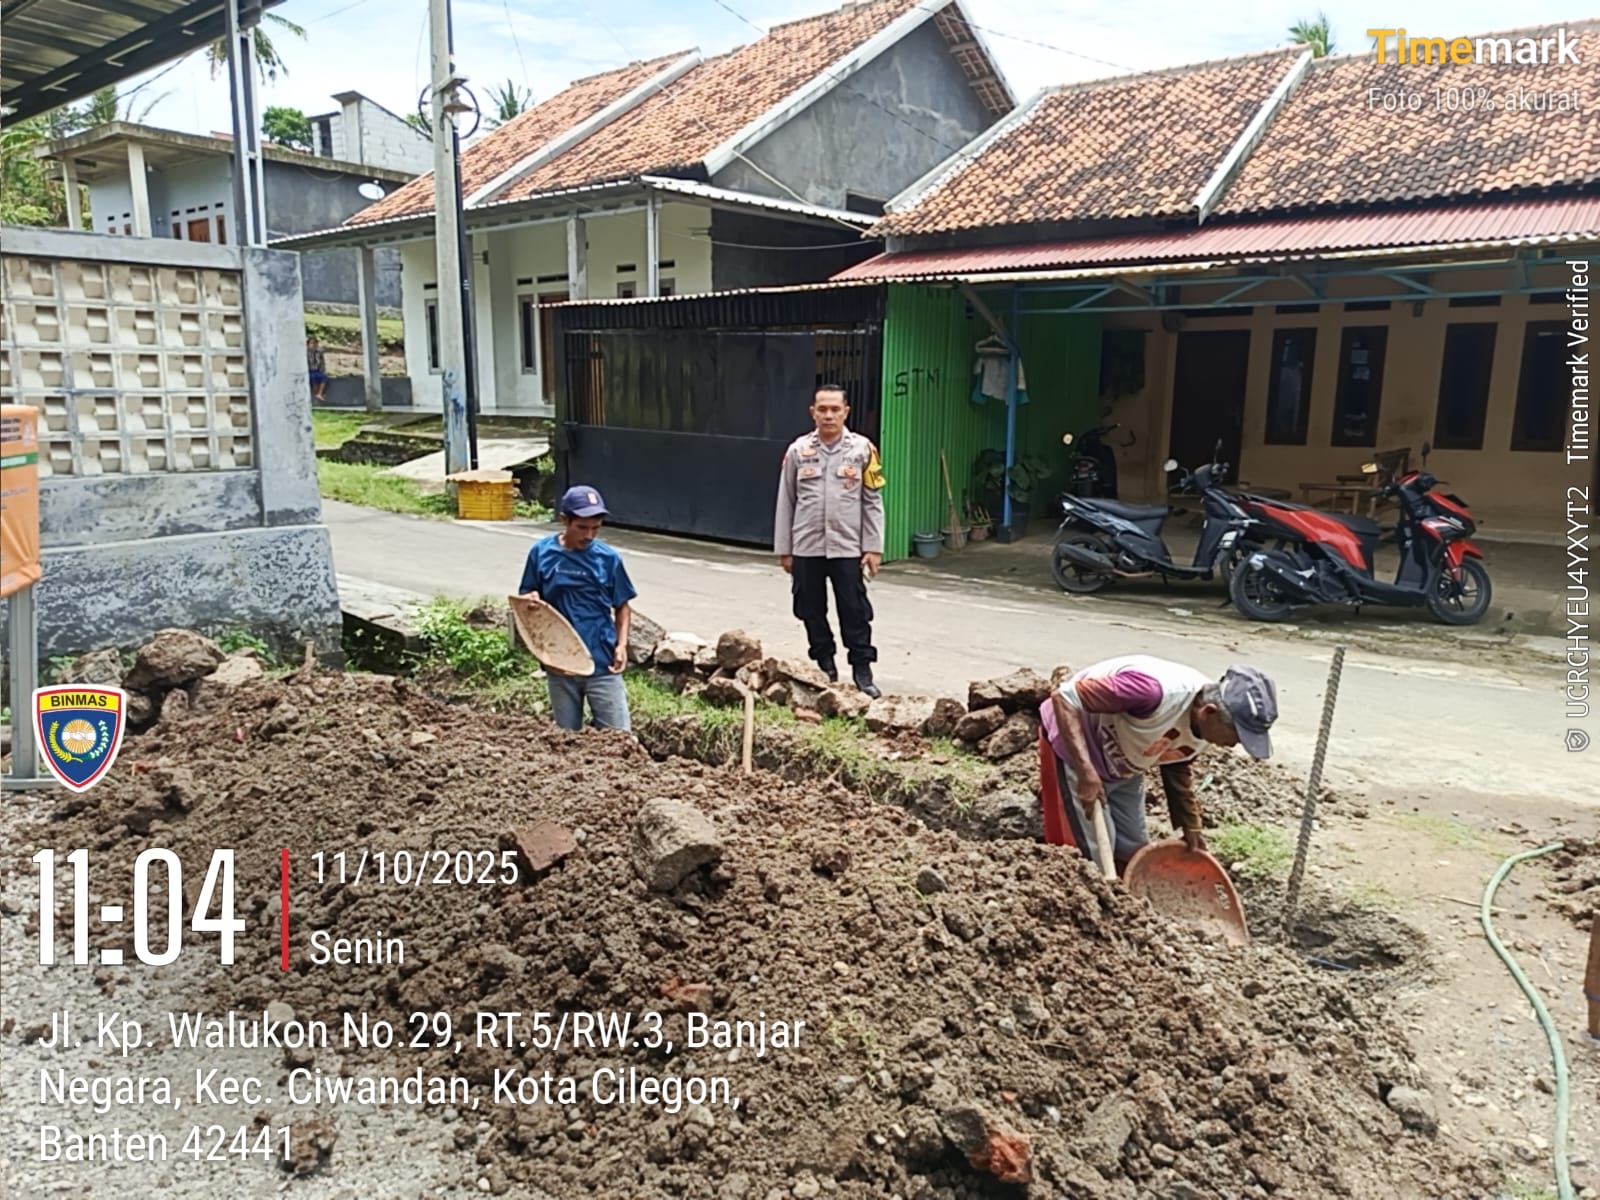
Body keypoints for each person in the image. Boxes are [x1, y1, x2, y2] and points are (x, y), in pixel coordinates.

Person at [1038, 655, 1278, 872]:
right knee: (1092, 855)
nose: (1234, 745)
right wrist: (1086, 772)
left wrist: (1190, 825)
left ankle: (1126, 893)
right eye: (1236, 736)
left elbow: (1178, 760)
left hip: (1125, 761)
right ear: (1208, 712)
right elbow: (1065, 697)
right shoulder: (1151, 692)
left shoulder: (1207, 727)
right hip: (1075, 747)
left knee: (1134, 849)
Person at [773, 383, 886, 698]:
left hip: (847, 547)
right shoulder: (798, 451)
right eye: (822, 409)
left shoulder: (863, 450)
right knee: (810, 608)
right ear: (812, 412)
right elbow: (786, 501)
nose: (828, 415)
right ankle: (825, 665)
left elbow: (872, 501)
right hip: (806, 545)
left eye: (835, 409)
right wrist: (785, 550)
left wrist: (873, 547)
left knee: (854, 609)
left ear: (846, 412)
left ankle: (862, 669)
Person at [517, 485, 637, 732]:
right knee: (566, 738)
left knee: (619, 738)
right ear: (564, 520)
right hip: (560, 662)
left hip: (603, 661)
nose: (589, 535)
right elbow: (526, 598)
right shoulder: (541, 554)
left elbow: (622, 606)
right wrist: (530, 600)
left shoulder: (608, 559)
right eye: (582, 527)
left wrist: (621, 645)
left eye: (595, 528)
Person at [306, 336, 327, 402]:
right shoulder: (306, 353)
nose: (313, 345)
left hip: (317, 370)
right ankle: (316, 394)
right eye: (311, 343)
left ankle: (320, 393)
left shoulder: (319, 352)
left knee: (323, 377)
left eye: (315, 343)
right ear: (308, 344)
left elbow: (322, 362)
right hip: (309, 371)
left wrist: (322, 369)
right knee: (313, 378)